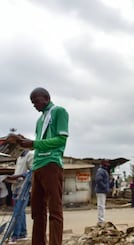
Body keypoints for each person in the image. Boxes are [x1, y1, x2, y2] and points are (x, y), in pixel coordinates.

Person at [8, 87, 69, 245]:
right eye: (32, 103)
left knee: (54, 210)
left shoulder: (59, 111)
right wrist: (23, 141)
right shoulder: (40, 119)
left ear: (46, 97)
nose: (34, 105)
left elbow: (61, 140)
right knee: (37, 211)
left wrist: (34, 143)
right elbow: (38, 144)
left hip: (51, 163)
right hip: (37, 166)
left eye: (36, 101)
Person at [6, 150, 33, 243]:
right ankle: (22, 233)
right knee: (21, 212)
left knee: (18, 212)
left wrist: (18, 176)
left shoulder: (30, 155)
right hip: (17, 187)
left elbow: (32, 172)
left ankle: (15, 236)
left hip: (24, 188)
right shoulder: (19, 158)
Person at [95, 159, 110, 226]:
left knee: (102, 206)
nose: (107, 166)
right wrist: (104, 187)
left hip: (102, 191)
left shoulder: (102, 171)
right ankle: (101, 220)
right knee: (101, 206)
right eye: (106, 165)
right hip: (101, 191)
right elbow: (98, 180)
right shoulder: (101, 171)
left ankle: (101, 220)